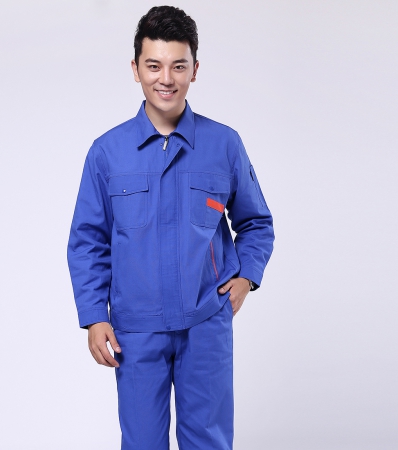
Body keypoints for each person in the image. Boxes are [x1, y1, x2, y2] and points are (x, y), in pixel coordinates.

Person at [67, 5, 274, 450]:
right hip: (135, 330)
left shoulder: (224, 144)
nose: (166, 78)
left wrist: (247, 277)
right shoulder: (107, 152)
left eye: (178, 66)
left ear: (195, 69)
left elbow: (256, 221)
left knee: (209, 442)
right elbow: (88, 242)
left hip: (206, 323)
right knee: (142, 443)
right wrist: (94, 317)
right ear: (135, 69)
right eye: (154, 65)